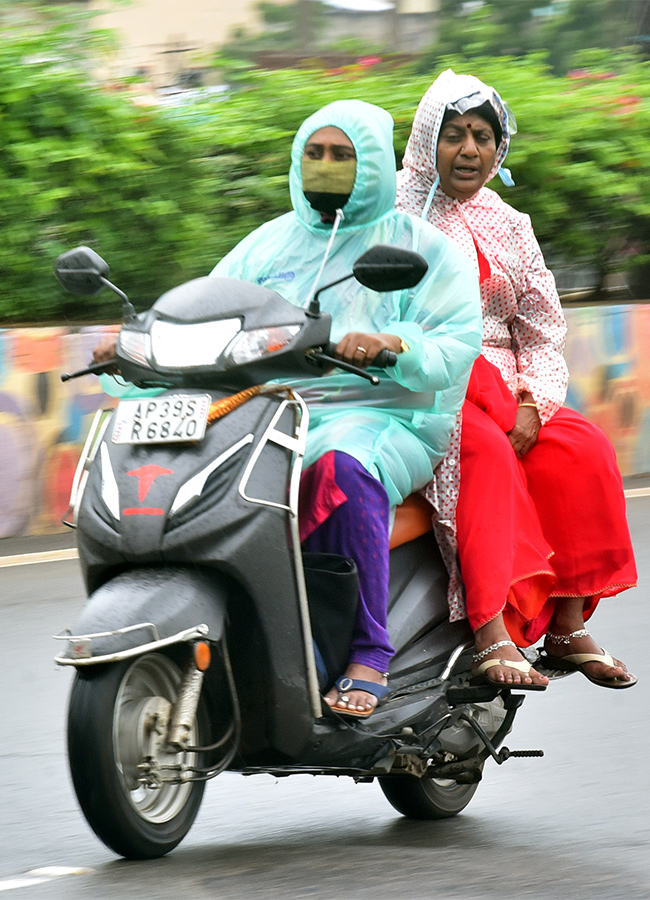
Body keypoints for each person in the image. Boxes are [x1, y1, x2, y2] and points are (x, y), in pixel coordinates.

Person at [208, 99, 483, 715]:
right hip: (275, 410)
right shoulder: (266, 245)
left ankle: (369, 649)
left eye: (343, 154)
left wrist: (392, 345)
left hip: (387, 415)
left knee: (340, 464)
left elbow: (455, 343)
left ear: (376, 166)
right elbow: (212, 308)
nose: (326, 165)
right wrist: (138, 351)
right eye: (315, 152)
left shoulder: (421, 247)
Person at [396, 69, 637, 690]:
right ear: (428, 140)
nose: (469, 149)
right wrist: (498, 410)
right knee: (482, 455)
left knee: (580, 449)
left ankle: (565, 622)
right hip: (429, 380)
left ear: (499, 147)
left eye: (482, 136)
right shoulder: (394, 210)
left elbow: (543, 328)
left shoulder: (510, 221)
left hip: (514, 385)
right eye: (453, 134)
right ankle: (488, 631)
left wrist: (535, 401)